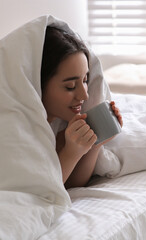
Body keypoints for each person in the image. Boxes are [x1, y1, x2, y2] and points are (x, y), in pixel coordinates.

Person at [40, 27, 123, 189]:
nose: (84, 96)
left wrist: (95, 142)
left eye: (85, 80)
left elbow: (72, 184)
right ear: (40, 84)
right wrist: (70, 153)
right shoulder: (21, 130)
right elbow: (43, 191)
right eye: (70, 86)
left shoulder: (59, 127)